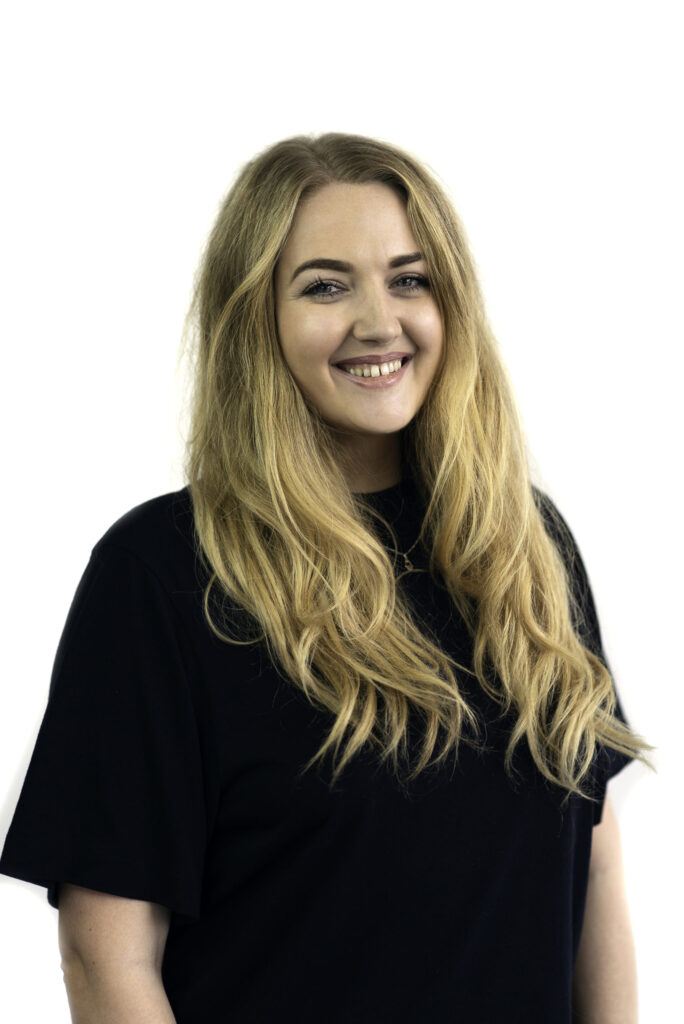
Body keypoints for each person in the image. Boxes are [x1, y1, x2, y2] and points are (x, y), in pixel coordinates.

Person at [0, 133, 650, 1024]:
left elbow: (594, 861)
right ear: (255, 315)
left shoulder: (522, 544)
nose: (379, 321)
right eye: (325, 286)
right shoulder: (162, 577)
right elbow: (105, 958)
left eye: (410, 279)